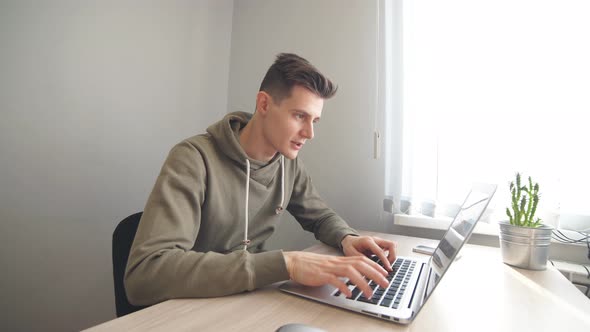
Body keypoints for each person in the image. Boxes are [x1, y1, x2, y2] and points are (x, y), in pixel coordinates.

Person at [125, 53, 397, 306]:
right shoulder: (193, 159)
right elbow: (145, 273)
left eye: (315, 120)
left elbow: (320, 216)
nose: (309, 133)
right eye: (300, 116)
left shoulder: (287, 162)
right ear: (264, 103)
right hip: (189, 307)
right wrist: (286, 264)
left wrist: (346, 237)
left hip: (246, 302)